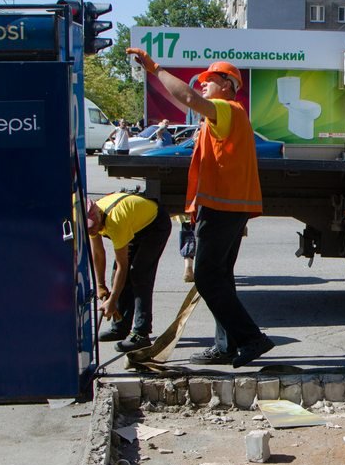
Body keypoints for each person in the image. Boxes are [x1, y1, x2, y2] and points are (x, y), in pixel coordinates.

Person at [126, 47, 274, 367]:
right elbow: (188, 102)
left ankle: (251, 338)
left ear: (228, 85)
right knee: (220, 276)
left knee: (206, 277)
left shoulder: (226, 109)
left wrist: (155, 69)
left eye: (210, 79)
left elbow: (190, 99)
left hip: (222, 207)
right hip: (227, 207)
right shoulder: (222, 116)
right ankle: (227, 346)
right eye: (202, 79)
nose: (203, 82)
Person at [87, 192, 173, 352]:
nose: (94, 231)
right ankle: (120, 327)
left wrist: (112, 300)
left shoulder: (115, 222)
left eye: (96, 228)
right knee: (118, 277)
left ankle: (141, 333)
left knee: (139, 274)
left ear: (98, 215)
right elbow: (98, 254)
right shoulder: (92, 216)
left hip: (155, 225)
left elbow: (122, 265)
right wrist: (100, 285)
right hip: (135, 225)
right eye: (91, 230)